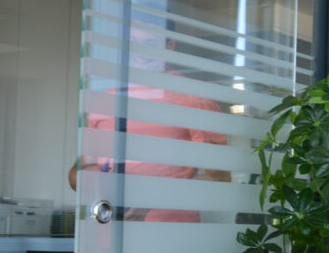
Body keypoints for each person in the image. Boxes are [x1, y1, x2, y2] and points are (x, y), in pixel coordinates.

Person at [68, 25, 229, 222]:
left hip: (167, 237)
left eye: (150, 43)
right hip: (106, 235)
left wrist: (150, 201)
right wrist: (93, 177)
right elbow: (78, 175)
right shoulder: (103, 101)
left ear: (170, 44)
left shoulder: (194, 98)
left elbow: (219, 178)